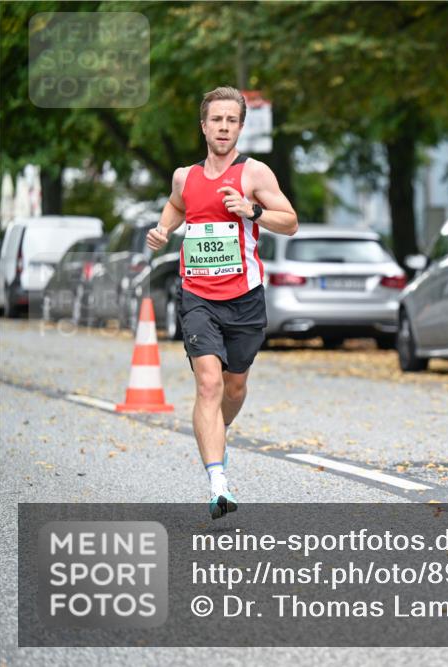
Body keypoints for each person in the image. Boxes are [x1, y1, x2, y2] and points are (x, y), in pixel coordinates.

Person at [147, 86, 297, 519]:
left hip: (245, 298)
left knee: (234, 387)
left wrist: (252, 212)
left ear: (240, 127)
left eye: (232, 120)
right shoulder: (184, 177)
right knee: (208, 384)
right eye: (217, 119)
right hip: (197, 296)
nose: (224, 127)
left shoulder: (255, 174)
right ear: (204, 126)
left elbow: (290, 222)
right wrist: (163, 229)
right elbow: (176, 205)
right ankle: (218, 484)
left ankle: (217, 430)